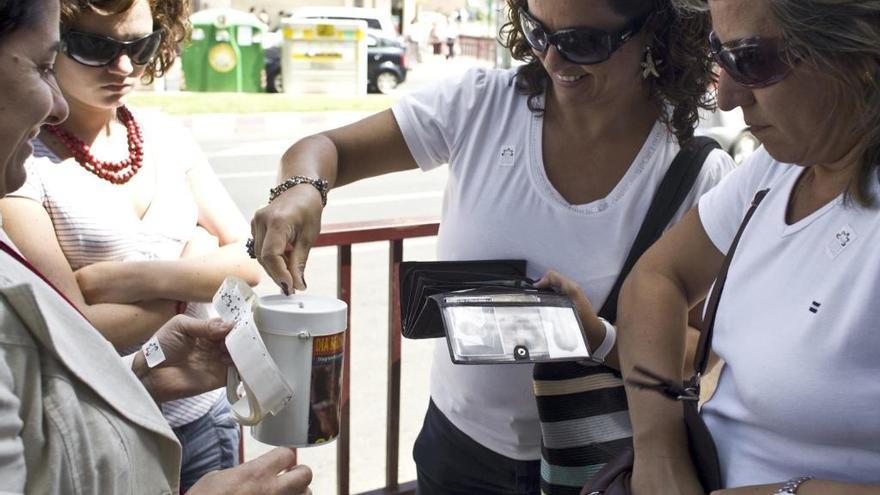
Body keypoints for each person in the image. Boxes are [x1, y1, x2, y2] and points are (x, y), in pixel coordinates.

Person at [248, 0, 734, 492]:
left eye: (584, 43)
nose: (554, 61)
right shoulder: (480, 106)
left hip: (598, 463)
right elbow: (327, 149)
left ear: (656, 28)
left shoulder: (694, 169)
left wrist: (598, 336)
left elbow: (701, 355)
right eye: (539, 31)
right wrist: (303, 189)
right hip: (457, 447)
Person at [0, 0, 312, 493]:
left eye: (139, 46)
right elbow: (72, 329)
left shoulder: (165, 134)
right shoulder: (19, 157)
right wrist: (194, 267)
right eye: (93, 47)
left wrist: (127, 280)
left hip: (201, 407)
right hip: (104, 420)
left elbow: (250, 258)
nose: (123, 66)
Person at [614, 0, 880, 493]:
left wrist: (789, 491)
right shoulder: (782, 166)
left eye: (751, 60)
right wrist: (659, 452)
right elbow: (657, 278)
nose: (728, 96)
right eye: (720, 53)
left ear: (860, 57)